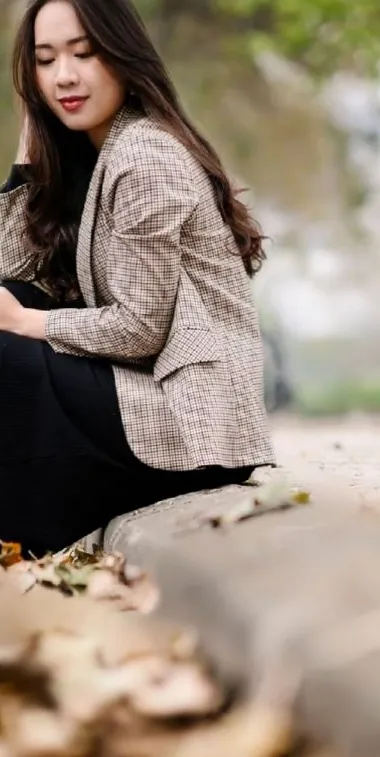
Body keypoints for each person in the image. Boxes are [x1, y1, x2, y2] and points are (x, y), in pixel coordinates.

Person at [0, 0, 275, 557]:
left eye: (84, 53)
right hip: (144, 391)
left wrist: (29, 322)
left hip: (193, 420)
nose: (65, 76)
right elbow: (10, 270)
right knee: (19, 302)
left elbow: (141, 330)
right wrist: (27, 162)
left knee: (12, 340)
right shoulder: (94, 154)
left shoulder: (144, 157)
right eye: (45, 60)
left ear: (124, 57)